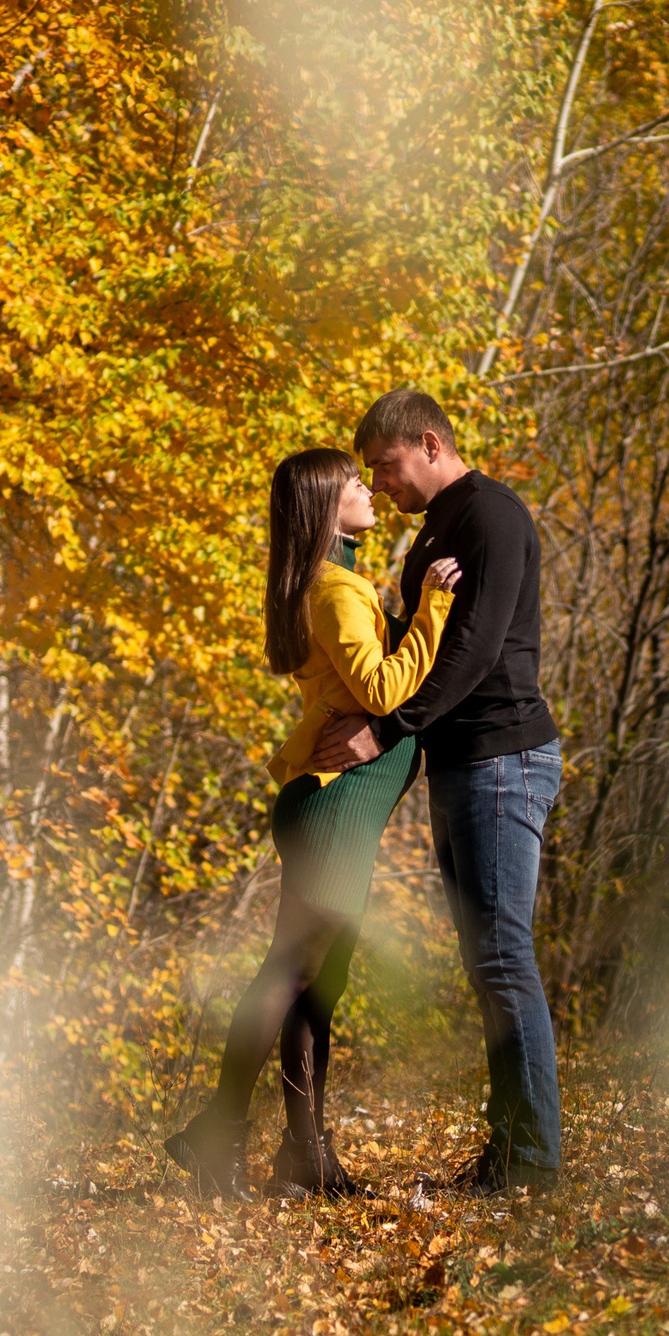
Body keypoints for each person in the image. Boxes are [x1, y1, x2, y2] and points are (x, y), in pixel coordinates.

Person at [164, 447, 464, 1200]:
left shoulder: (339, 583)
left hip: (337, 805)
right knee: (293, 972)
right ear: (328, 506)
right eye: (356, 483)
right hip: (334, 805)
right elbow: (385, 689)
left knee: (316, 983)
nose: (369, 489)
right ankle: (217, 1135)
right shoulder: (334, 591)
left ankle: (306, 1155)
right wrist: (432, 607)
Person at [308, 389, 564, 1195]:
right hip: (463, 764)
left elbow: (479, 650)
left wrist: (384, 732)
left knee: (501, 956)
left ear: (428, 443)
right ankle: (511, 1153)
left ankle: (530, 1166)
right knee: (486, 960)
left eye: (384, 467)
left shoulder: (489, 516)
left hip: (503, 758)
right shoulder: (436, 526)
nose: (379, 486)